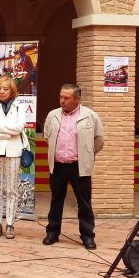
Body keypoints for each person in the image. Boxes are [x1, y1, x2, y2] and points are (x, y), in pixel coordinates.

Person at [42, 83, 104, 250]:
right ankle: (52, 232)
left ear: (77, 99)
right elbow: (47, 137)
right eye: (61, 97)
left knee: (84, 202)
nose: (62, 101)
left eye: (66, 98)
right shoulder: (52, 115)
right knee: (56, 200)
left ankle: (87, 236)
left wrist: (86, 153)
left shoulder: (90, 116)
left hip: (79, 166)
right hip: (59, 165)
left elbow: (99, 140)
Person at [0, 75, 29, 239]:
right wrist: (7, 135)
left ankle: (10, 224)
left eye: (5, 89)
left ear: (12, 91)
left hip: (14, 151)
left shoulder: (19, 107)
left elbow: (19, 127)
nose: (1, 92)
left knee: (12, 190)